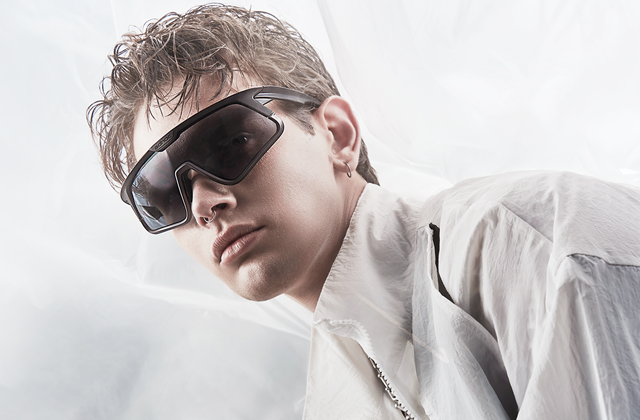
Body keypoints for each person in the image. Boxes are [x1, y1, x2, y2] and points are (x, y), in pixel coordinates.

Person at [87, 4, 640, 419]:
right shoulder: (335, 400)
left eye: (228, 143)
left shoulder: (529, 242)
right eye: (163, 195)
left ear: (337, 134)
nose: (204, 205)